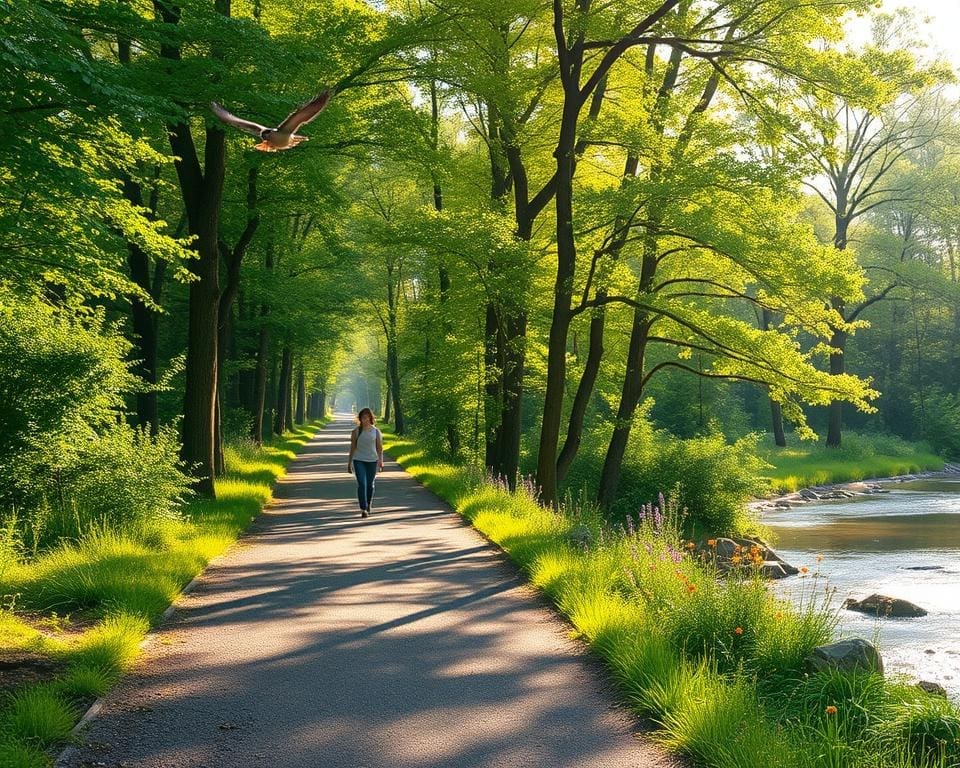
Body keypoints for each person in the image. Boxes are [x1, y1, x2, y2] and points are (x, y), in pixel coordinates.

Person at [347, 408, 383, 518]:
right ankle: (363, 508)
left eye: (367, 417)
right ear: (360, 418)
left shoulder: (376, 431)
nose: (365, 419)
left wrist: (381, 461)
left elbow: (379, 448)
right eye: (363, 417)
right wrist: (349, 463)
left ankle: (368, 505)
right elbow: (352, 448)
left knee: (370, 485)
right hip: (359, 460)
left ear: (370, 418)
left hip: (372, 460)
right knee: (362, 484)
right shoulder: (356, 431)